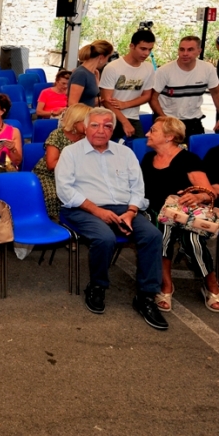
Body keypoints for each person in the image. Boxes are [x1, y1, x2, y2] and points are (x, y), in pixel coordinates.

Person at [56, 107, 166, 330]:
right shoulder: (70, 153)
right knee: (105, 238)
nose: (101, 130)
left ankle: (145, 296)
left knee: (153, 236)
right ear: (85, 128)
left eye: (107, 126)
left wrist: (131, 211)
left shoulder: (125, 153)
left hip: (124, 209)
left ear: (113, 129)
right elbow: (65, 191)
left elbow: (138, 188)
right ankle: (97, 286)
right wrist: (98, 211)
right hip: (83, 208)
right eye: (95, 125)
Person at [140, 116, 219, 313]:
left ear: (169, 137)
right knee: (162, 232)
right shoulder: (148, 158)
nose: (148, 134)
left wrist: (198, 197)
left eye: (153, 131)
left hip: (183, 213)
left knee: (192, 239)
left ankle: (211, 285)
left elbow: (208, 192)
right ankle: (166, 286)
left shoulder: (188, 159)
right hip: (154, 211)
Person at [150, 36, 219, 139]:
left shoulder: (207, 69)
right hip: (168, 120)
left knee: (196, 153)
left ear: (199, 51)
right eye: (182, 49)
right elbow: (152, 98)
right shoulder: (164, 71)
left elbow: (216, 93)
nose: (185, 53)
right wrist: (165, 119)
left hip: (193, 121)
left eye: (190, 49)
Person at [32, 103, 91, 219]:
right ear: (75, 121)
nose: (90, 125)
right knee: (55, 196)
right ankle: (56, 223)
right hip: (49, 175)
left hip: (76, 175)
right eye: (86, 121)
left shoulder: (88, 138)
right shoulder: (57, 135)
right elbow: (51, 164)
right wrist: (75, 162)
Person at [100, 29, 156, 140]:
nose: (146, 53)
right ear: (132, 46)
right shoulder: (113, 67)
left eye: (150, 49)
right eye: (143, 49)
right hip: (110, 117)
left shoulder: (148, 68)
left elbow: (147, 96)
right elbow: (106, 100)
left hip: (133, 117)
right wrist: (124, 121)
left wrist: (125, 104)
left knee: (138, 151)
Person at [68, 40, 113, 107]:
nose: (107, 62)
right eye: (108, 58)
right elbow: (72, 104)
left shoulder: (93, 73)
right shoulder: (81, 74)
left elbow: (87, 100)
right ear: (101, 57)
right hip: (80, 116)